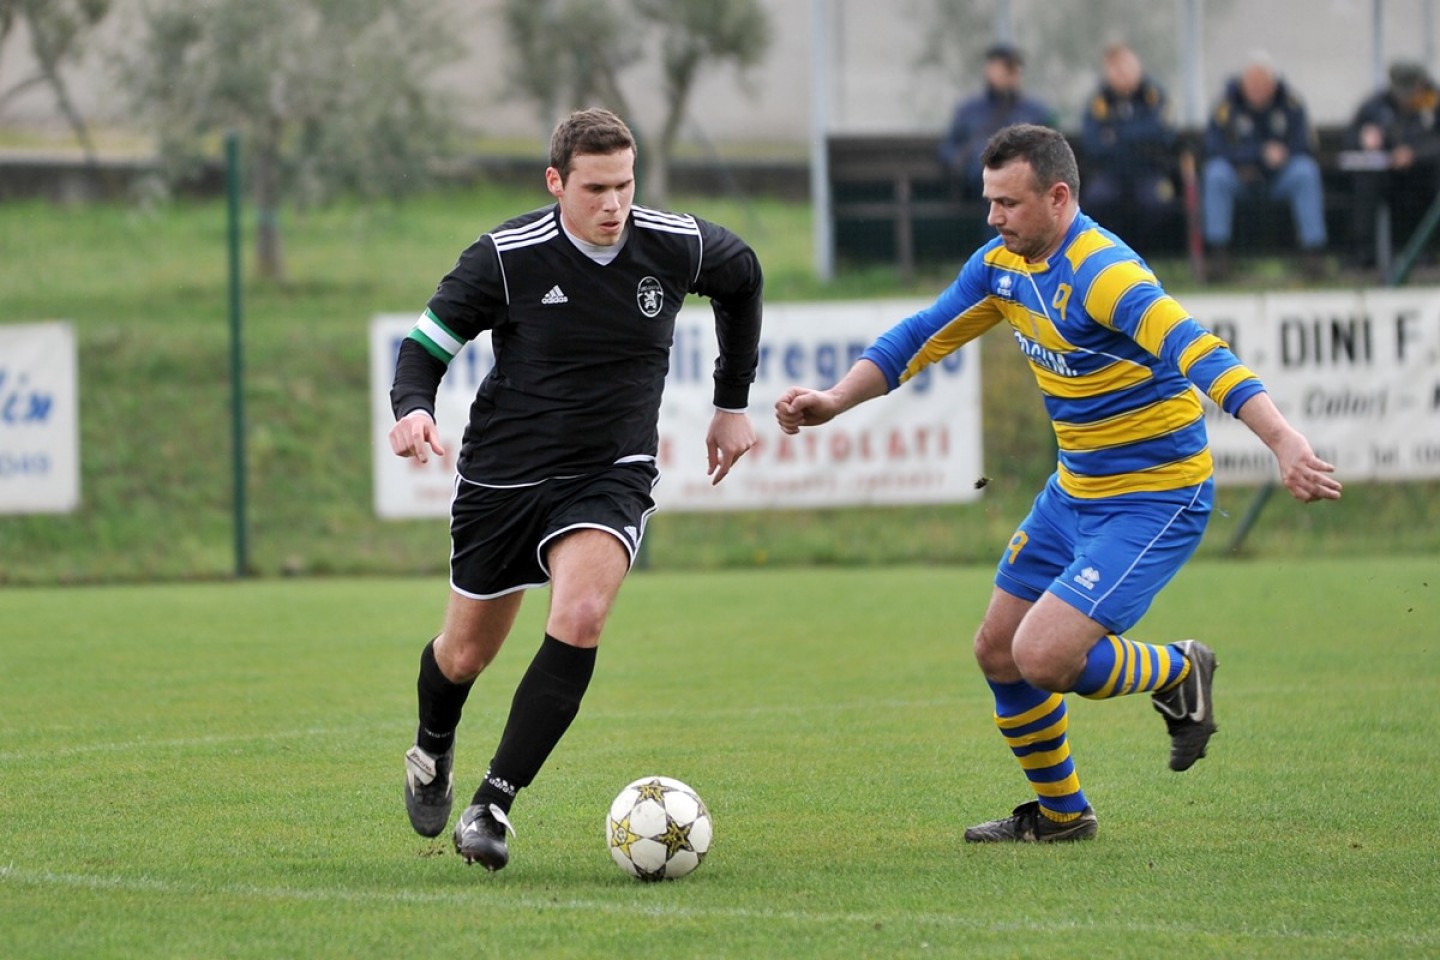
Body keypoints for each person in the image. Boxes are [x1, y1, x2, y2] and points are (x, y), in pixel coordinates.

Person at [776, 124, 1342, 843]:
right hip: (1074, 491)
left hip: (1155, 497)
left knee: (1042, 656)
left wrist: (1284, 441)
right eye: (989, 201)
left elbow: (1200, 350)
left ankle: (1176, 671)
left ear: (1059, 196)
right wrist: (832, 399)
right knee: (995, 649)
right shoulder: (1000, 268)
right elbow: (917, 338)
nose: (993, 218)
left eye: (1008, 203)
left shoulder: (1106, 274)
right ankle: (1063, 814)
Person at [389, 107, 763, 872]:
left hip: (609, 471)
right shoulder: (506, 256)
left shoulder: (674, 244)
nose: (613, 204)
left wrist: (732, 403)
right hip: (503, 476)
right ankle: (432, 748)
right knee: (463, 655)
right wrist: (414, 411)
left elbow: (743, 277)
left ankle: (492, 804)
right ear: (556, 182)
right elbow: (425, 346)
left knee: (583, 613)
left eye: (624, 184)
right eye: (595, 187)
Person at [1202, 51, 1328, 280]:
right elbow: (1213, 148)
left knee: (1305, 171)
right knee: (1215, 174)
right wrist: (1255, 155)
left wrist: (1282, 155)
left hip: (1278, 179)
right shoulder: (1225, 107)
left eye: (1263, 84)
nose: (1257, 90)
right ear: (1243, 84)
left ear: (1272, 84)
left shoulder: (1291, 104)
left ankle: (1314, 254)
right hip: (1240, 179)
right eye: (1252, 84)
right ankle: (1217, 256)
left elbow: (1304, 144)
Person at [1079, 42, 1178, 252]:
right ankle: (1110, 253)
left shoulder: (1154, 95)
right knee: (1097, 199)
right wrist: (1138, 136)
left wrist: (1118, 134)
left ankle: (1146, 253)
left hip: (1149, 171)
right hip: (1112, 172)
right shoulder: (1098, 101)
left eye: (1126, 67)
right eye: (1115, 69)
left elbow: (1164, 135)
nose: (1121, 73)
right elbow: (1094, 144)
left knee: (1157, 202)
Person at [1344, 60, 1440, 272]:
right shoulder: (1375, 105)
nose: (1406, 98)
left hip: (1424, 176)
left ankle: (1426, 253)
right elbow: (1350, 140)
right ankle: (1363, 257)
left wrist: (1415, 154)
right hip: (1387, 176)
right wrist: (1363, 139)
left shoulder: (1433, 103)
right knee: (1365, 182)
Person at [938, 43, 1056, 199]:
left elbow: (1053, 148)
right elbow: (949, 148)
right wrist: (965, 167)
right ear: (989, 70)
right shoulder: (969, 110)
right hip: (978, 188)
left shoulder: (1035, 111)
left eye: (1015, 68)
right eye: (1006, 68)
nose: (1011, 74)